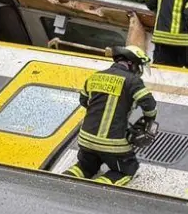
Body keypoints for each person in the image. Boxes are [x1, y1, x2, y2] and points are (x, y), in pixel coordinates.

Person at [65, 46, 158, 186]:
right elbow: (150, 106)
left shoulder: (95, 76)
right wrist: (148, 121)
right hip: (113, 145)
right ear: (132, 63)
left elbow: (84, 101)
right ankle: (100, 187)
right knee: (128, 168)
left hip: (86, 140)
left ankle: (66, 180)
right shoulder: (132, 81)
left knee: (85, 166)